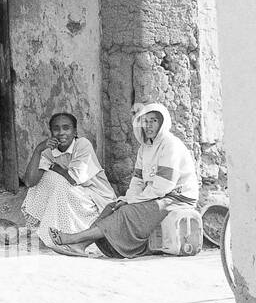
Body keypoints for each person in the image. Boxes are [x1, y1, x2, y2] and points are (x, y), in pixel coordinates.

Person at [49, 102, 198, 258]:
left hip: (176, 198)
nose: (148, 125)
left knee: (126, 211)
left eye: (154, 120)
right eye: (145, 121)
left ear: (163, 122)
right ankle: (80, 246)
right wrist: (128, 198)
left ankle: (73, 238)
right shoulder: (145, 147)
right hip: (158, 196)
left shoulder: (170, 145)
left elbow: (163, 186)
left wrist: (132, 201)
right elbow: (138, 180)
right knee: (112, 207)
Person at [21, 112, 116, 249]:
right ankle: (49, 231)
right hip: (70, 194)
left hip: (96, 198)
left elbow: (72, 179)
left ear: (75, 131)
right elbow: (30, 182)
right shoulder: (48, 150)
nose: (61, 133)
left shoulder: (82, 144)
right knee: (45, 179)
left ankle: (67, 234)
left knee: (59, 182)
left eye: (66, 128)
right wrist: (38, 150)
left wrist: (53, 166)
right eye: (56, 129)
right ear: (51, 132)